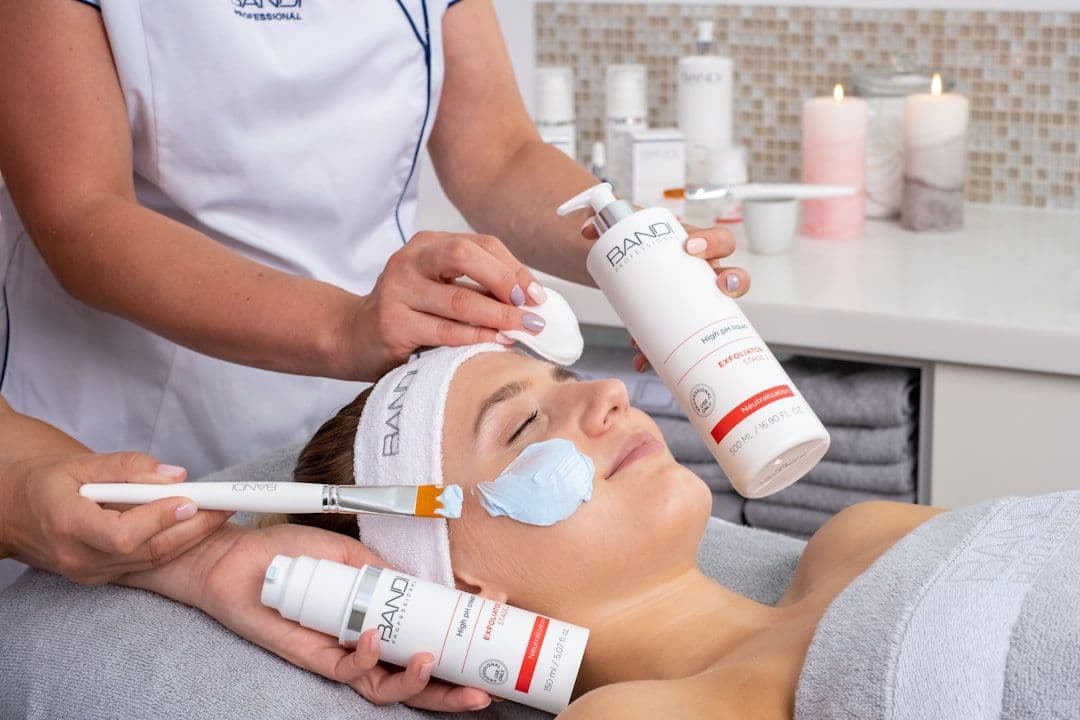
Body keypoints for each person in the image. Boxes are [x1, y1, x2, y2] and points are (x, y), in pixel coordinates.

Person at [116, 345, 1076, 718]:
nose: (610, 394)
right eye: (525, 426)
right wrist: (206, 557)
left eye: (565, 381)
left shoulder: (860, 535)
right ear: (460, 598)